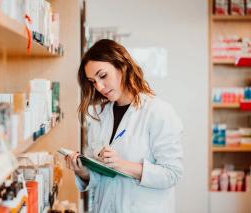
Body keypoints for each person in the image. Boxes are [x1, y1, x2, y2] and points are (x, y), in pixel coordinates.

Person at [65, 39, 183, 213]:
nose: (99, 86)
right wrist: (83, 171)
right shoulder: (101, 114)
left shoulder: (158, 112)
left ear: (123, 66)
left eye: (103, 76)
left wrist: (121, 164)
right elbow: (103, 175)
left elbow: (172, 174)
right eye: (93, 81)